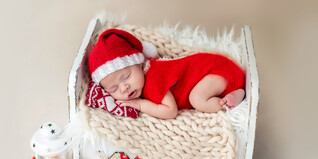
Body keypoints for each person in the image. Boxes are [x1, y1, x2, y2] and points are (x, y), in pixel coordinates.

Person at [88, 29, 245, 119]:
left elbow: (170, 111)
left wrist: (140, 104)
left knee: (197, 99)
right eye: (114, 89)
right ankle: (235, 92)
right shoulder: (144, 77)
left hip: (218, 71)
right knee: (198, 95)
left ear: (139, 63)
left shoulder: (153, 79)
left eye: (126, 76)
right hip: (217, 73)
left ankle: (233, 99)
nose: (124, 88)